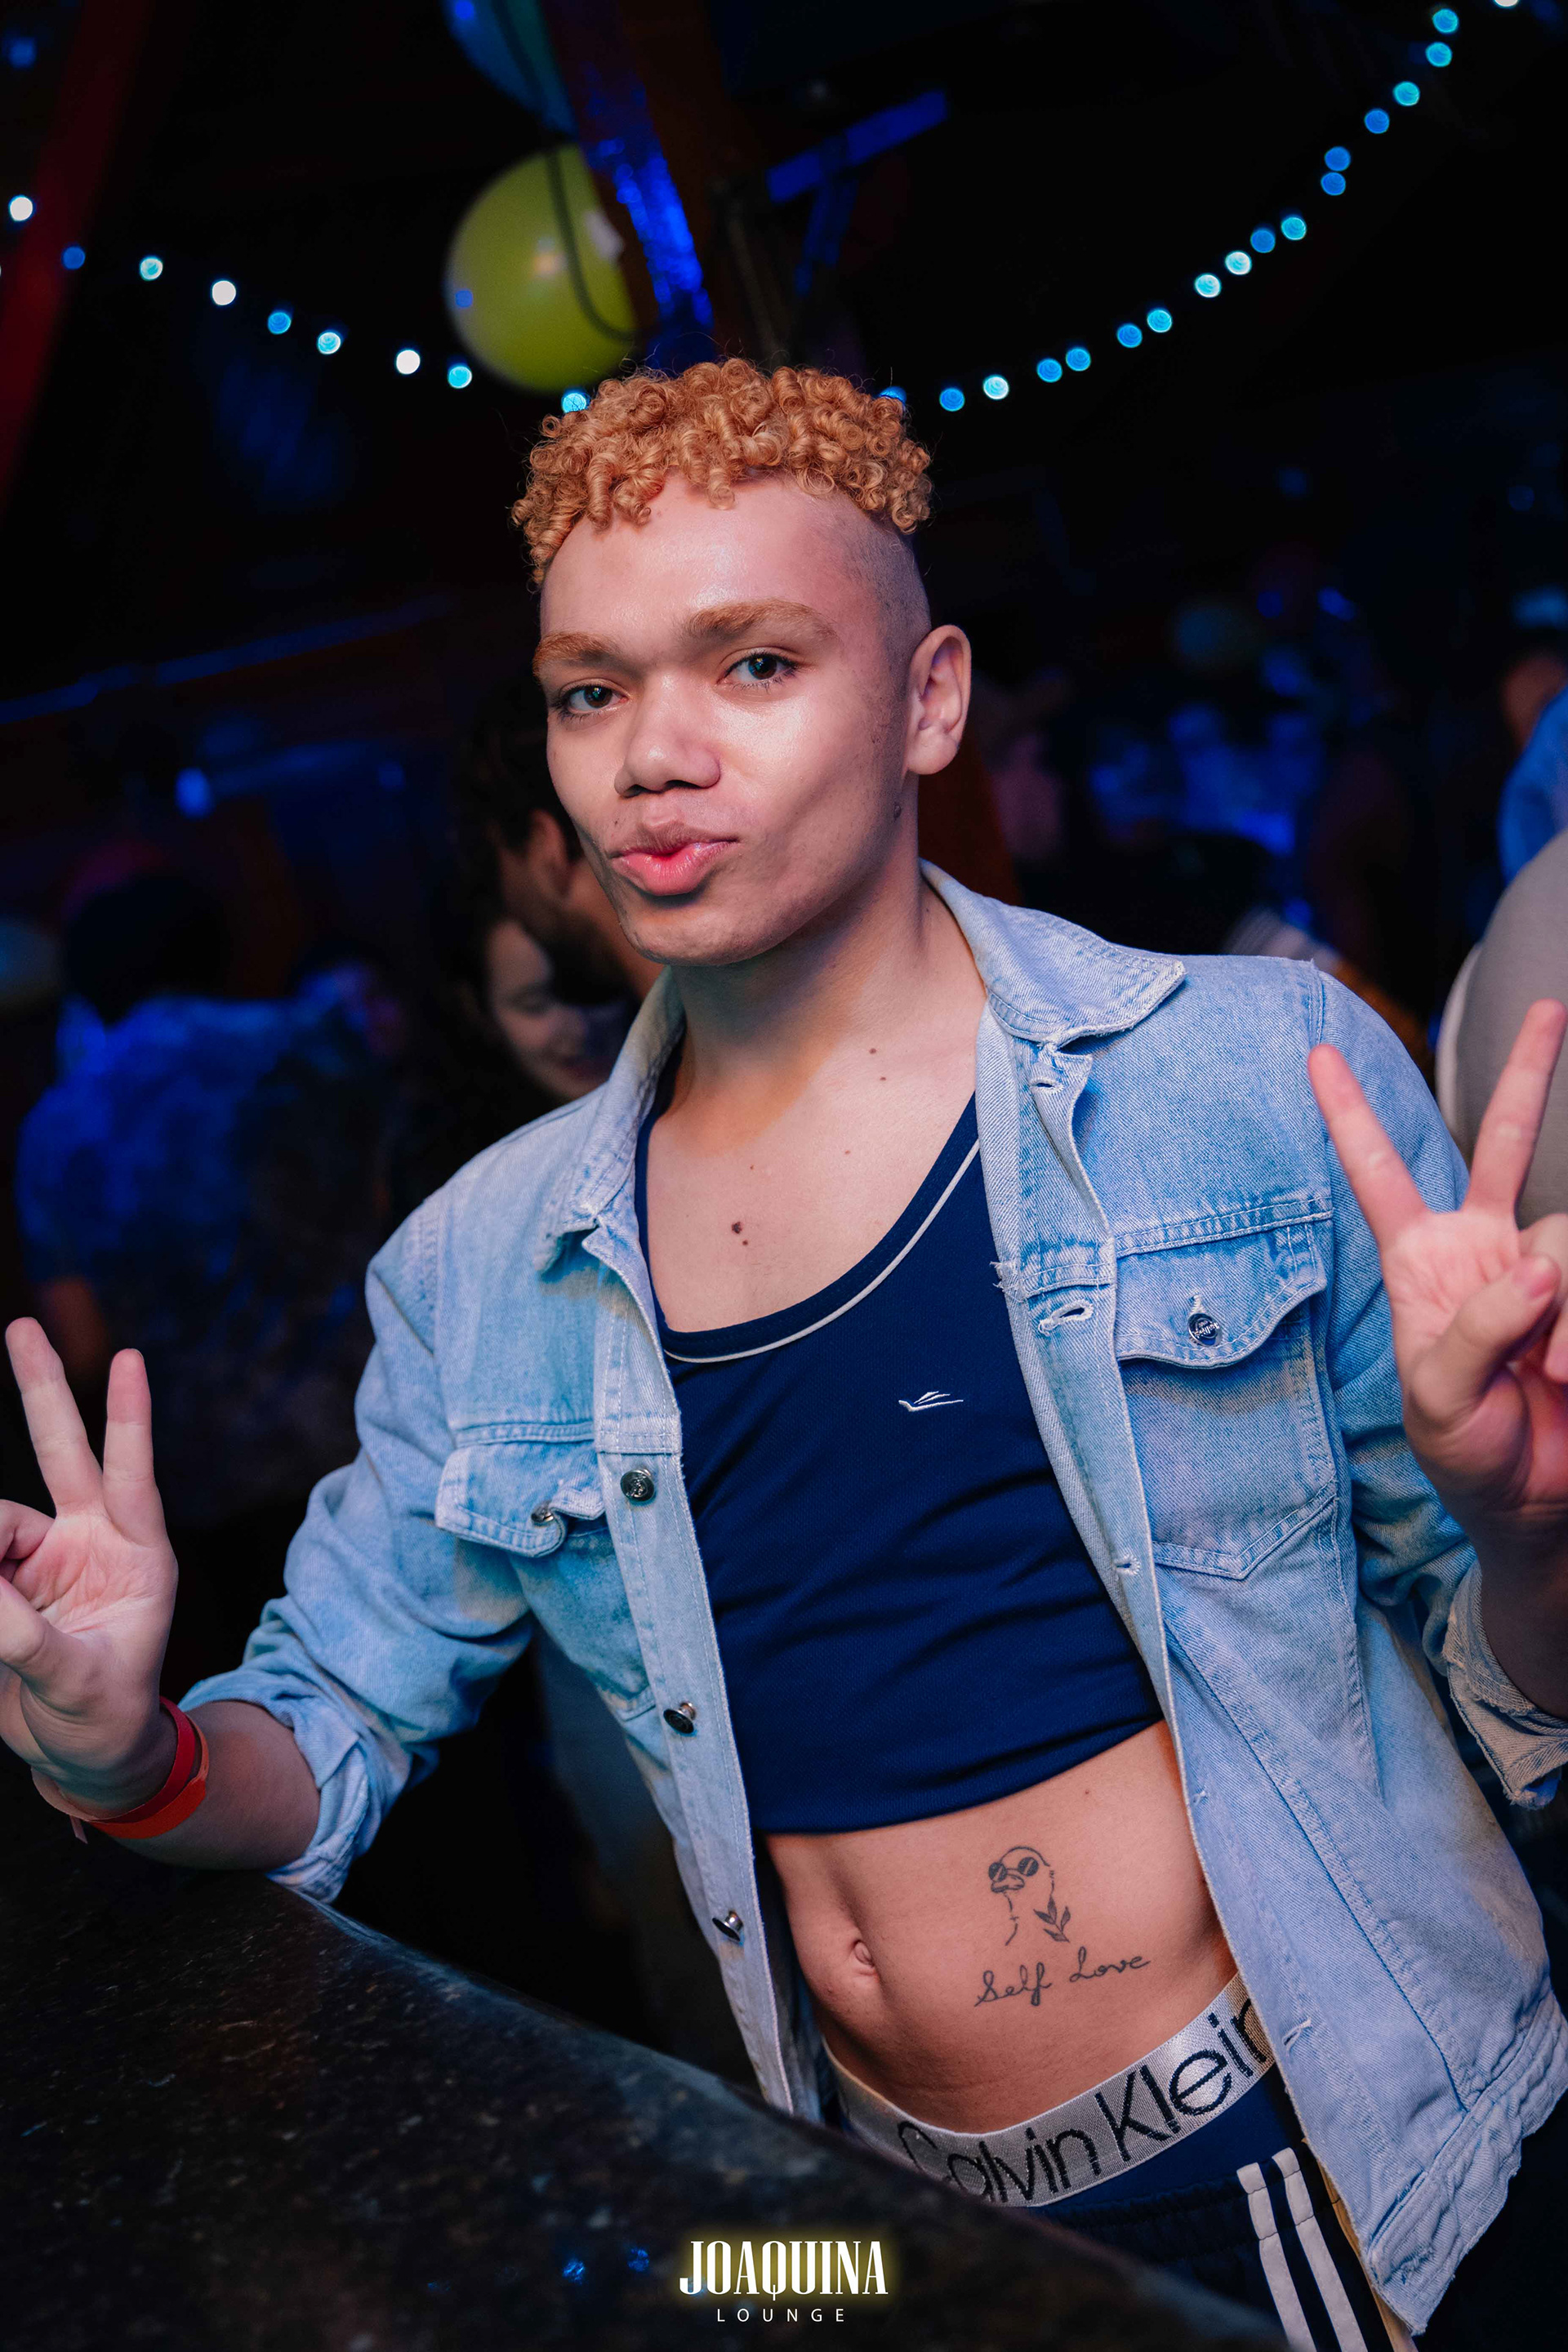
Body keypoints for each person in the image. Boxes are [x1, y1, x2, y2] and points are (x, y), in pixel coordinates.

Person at [4, 360, 1568, 2345]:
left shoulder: (1253, 1081)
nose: (654, 755)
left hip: (1344, 2166)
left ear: (928, 700)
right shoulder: (483, 1272)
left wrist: (1530, 1531)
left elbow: (1516, 1715)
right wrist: (129, 1758)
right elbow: (323, 1739)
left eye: (752, 663)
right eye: (592, 690)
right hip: (858, 2225)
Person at [12, 870, 392, 1691]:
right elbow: (397, 1213)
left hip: (214, 1484)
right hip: (376, 1427)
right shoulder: (312, 1042)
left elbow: (81, 1344)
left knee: (284, 1706)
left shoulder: (58, 1128)